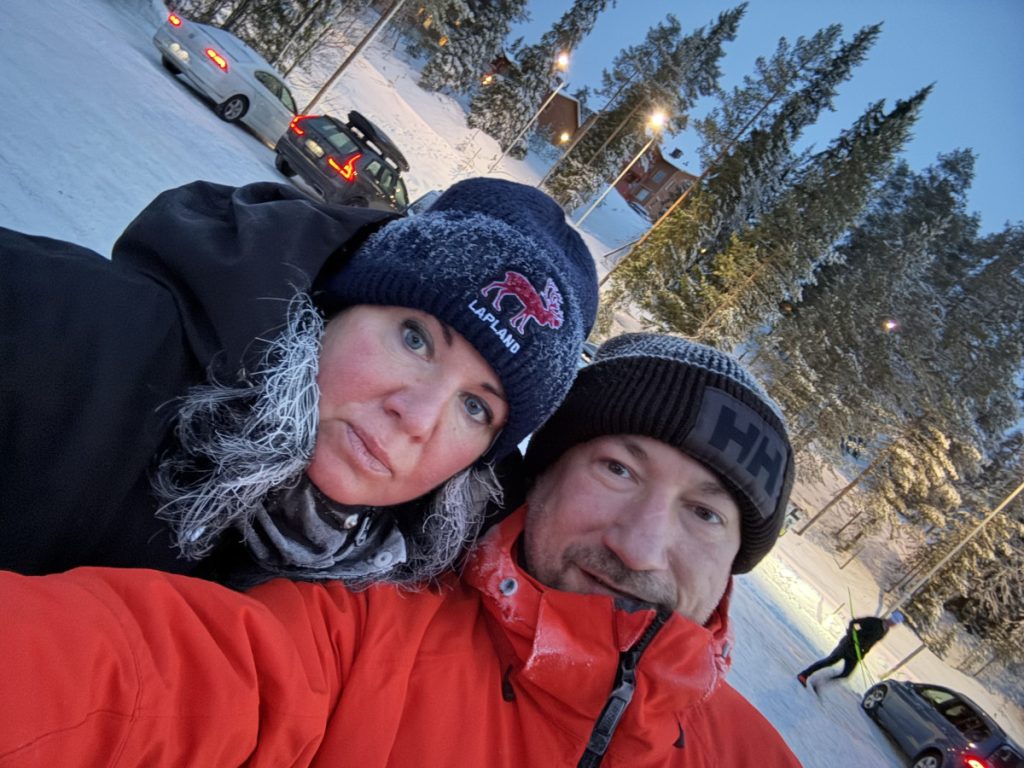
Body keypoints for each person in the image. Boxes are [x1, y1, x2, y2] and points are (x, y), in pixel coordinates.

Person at [0, 332, 800, 767]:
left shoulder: (756, 758)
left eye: (705, 513)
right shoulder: (361, 629)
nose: (642, 545)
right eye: (618, 469)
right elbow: (138, 680)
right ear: (542, 478)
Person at [0, 177, 597, 585]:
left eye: (474, 408)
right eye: (415, 339)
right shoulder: (61, 328)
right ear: (337, 305)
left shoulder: (386, 594)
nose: (416, 418)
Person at [797, 614, 903, 688]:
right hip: (847, 645)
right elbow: (854, 622)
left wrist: (863, 653)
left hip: (856, 653)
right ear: (890, 618)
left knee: (846, 674)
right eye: (892, 620)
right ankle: (804, 675)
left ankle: (819, 682)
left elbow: (871, 643)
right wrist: (851, 633)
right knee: (829, 661)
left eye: (894, 623)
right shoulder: (874, 621)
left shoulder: (885, 630)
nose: (892, 623)